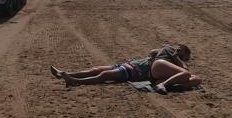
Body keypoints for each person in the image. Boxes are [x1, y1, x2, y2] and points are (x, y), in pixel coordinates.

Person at [50, 44, 201, 94]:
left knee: (104, 74)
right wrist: (176, 57)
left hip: (136, 69)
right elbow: (152, 54)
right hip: (135, 66)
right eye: (185, 56)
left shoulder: (171, 56)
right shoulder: (169, 52)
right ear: (182, 50)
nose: (184, 60)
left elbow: (152, 55)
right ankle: (66, 74)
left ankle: (73, 80)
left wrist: (176, 58)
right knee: (97, 69)